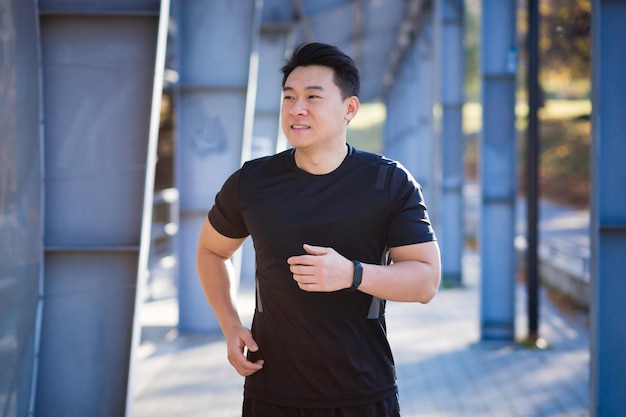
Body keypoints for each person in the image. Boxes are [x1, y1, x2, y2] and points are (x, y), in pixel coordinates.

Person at [196, 42, 441, 417]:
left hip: (363, 393)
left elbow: (426, 281)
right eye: (289, 97)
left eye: (313, 97)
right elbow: (212, 251)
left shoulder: (388, 182)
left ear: (350, 109)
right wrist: (230, 326)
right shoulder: (252, 182)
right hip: (271, 392)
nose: (297, 109)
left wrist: (352, 274)